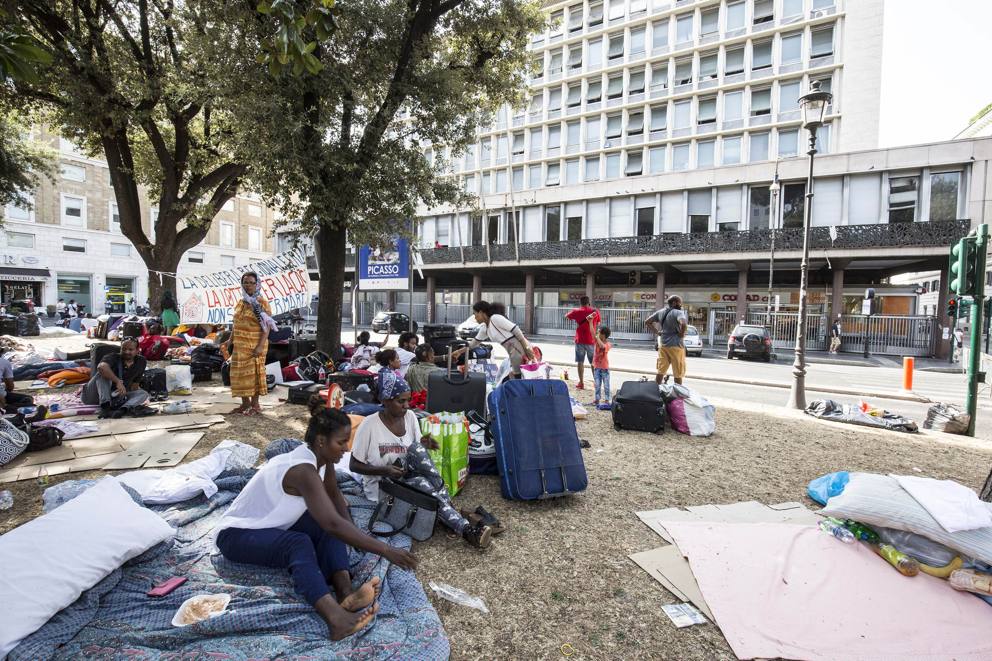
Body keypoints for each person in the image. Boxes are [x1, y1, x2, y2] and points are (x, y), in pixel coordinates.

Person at [215, 405, 418, 640]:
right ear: (321, 441)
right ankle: (336, 620)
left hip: (273, 525)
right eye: (341, 443)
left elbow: (334, 497)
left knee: (326, 524)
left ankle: (345, 594)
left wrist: (354, 534)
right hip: (236, 536)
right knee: (298, 543)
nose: (346, 449)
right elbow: (332, 523)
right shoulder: (302, 470)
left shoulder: (323, 460)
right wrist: (385, 549)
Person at [350, 371, 492, 548]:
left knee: (418, 454)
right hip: (383, 483)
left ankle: (449, 511)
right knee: (422, 485)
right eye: (400, 401)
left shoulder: (409, 417)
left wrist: (430, 445)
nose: (406, 405)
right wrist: (385, 470)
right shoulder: (369, 425)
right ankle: (464, 528)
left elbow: (416, 451)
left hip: (407, 473)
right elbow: (353, 465)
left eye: (407, 400)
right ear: (385, 401)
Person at [228, 272, 275, 416]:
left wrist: (260, 345)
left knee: (254, 375)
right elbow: (236, 323)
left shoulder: (261, 303)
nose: (248, 285)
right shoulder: (241, 302)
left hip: (255, 344)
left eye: (251, 283)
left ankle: (255, 405)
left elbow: (266, 327)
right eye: (245, 282)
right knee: (239, 374)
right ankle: (245, 404)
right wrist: (230, 339)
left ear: (257, 284)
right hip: (239, 345)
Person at [452, 301, 535, 379]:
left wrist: (527, 348)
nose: (475, 317)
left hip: (519, 349)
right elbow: (473, 343)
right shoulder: (485, 328)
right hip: (513, 352)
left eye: (475, 314)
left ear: (481, 312)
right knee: (517, 378)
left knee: (520, 378)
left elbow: (516, 330)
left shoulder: (495, 318)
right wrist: (458, 352)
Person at [80, 338, 150, 415]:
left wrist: (131, 397)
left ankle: (123, 409)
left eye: (130, 349)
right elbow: (101, 367)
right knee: (102, 374)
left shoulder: (141, 361)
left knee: (143, 394)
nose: (127, 352)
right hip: (93, 396)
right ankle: (105, 407)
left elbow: (135, 386)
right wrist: (117, 382)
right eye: (124, 349)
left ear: (137, 351)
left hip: (114, 397)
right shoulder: (113, 357)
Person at [645, 295, 688, 385]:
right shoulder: (678, 312)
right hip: (676, 346)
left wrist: (657, 332)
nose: (681, 305)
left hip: (663, 345)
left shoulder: (660, 312)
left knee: (661, 371)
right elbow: (683, 323)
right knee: (678, 372)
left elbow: (647, 322)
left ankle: (655, 392)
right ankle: (678, 394)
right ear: (674, 303)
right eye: (680, 303)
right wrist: (682, 334)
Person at [564, 296, 601, 390]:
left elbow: (566, 317)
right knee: (593, 363)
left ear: (580, 303)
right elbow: (599, 323)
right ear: (589, 303)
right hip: (591, 340)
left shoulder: (576, 311)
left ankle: (581, 383)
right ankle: (596, 383)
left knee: (580, 362)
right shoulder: (595, 311)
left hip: (580, 340)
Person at [590, 321, 612, 406]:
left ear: (604, 335)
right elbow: (592, 332)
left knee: (606, 385)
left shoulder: (608, 344)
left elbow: (603, 346)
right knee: (597, 385)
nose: (598, 334)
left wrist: (597, 338)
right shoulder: (597, 341)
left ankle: (607, 400)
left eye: (599, 333)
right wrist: (590, 322)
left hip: (605, 369)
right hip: (597, 368)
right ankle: (597, 399)